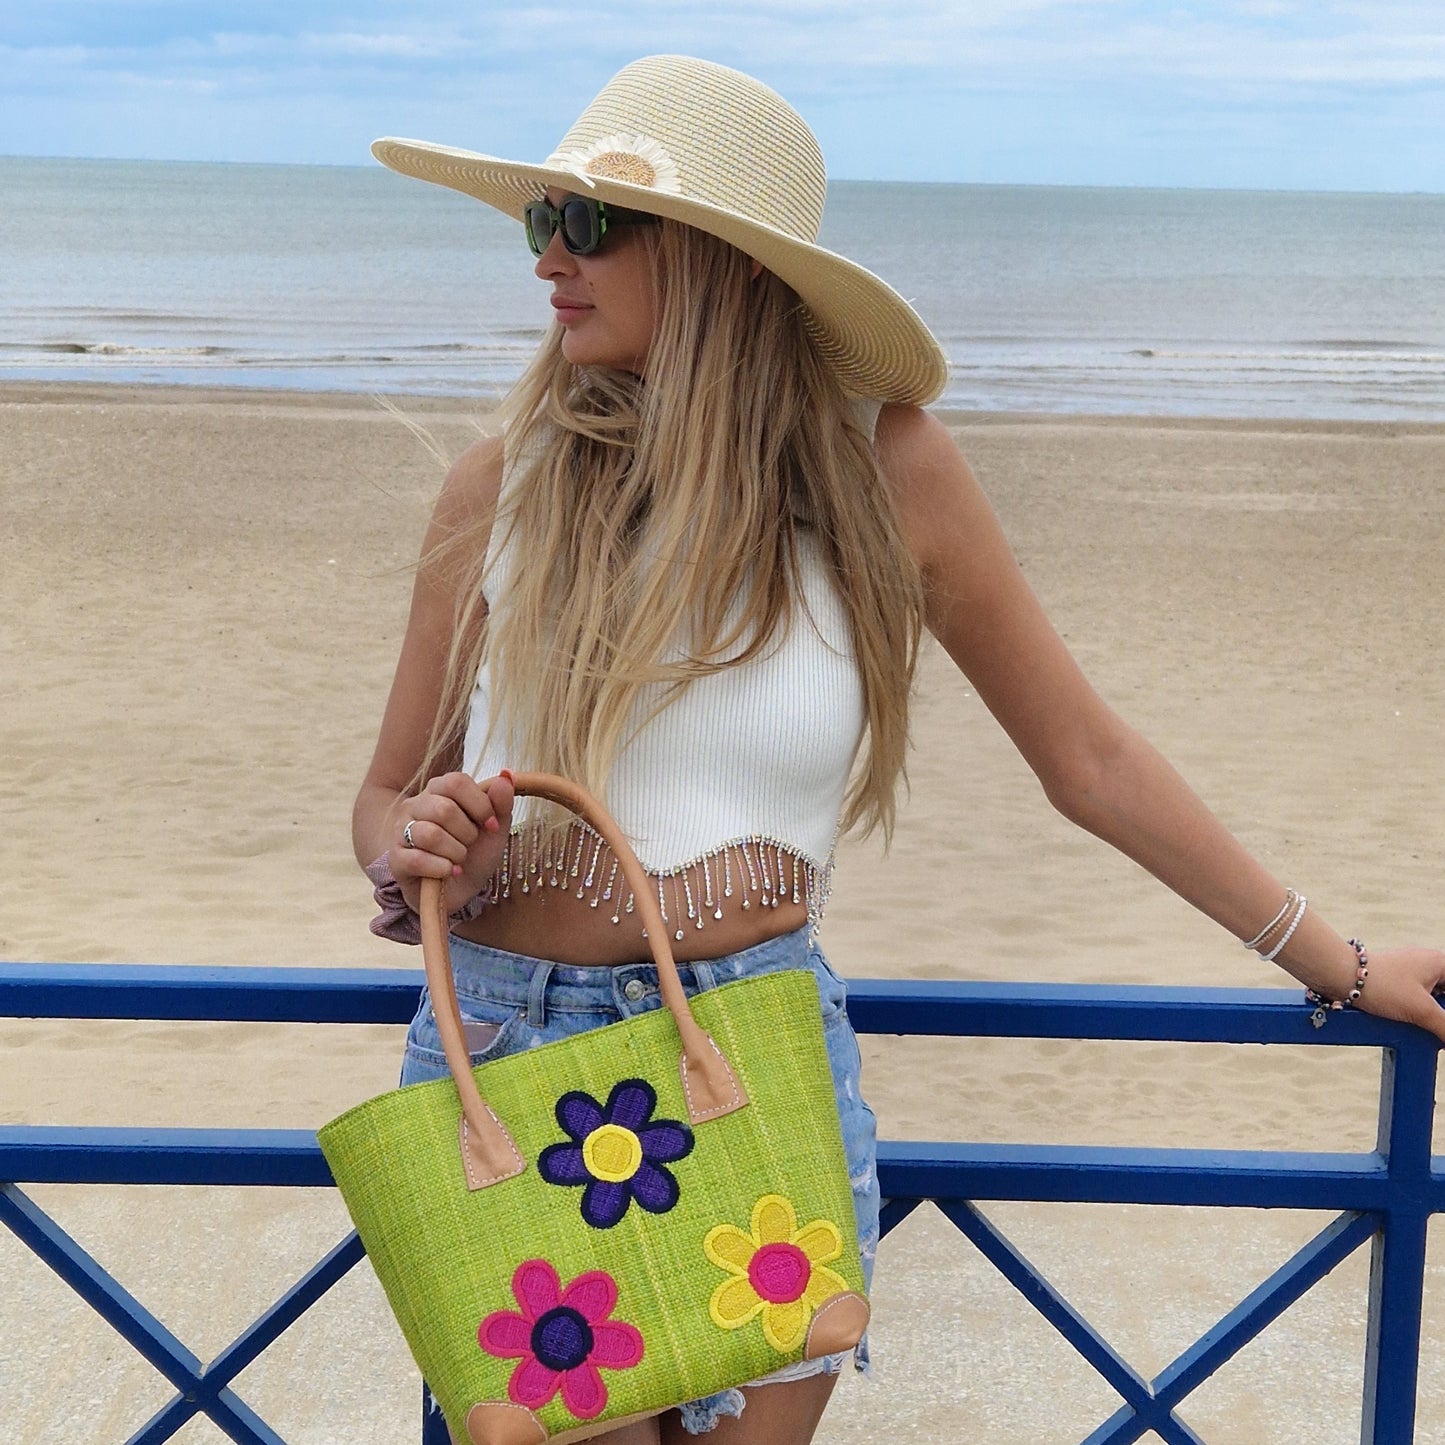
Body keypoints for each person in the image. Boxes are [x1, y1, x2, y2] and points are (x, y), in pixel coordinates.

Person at [352, 54, 1445, 1445]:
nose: (549, 259)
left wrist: (1335, 961)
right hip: (498, 1059)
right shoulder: (498, 485)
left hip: (749, 1061)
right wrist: (418, 839)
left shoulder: (886, 469)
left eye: (589, 224)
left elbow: (1086, 758)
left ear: (719, 258)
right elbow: (384, 792)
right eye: (538, 222)